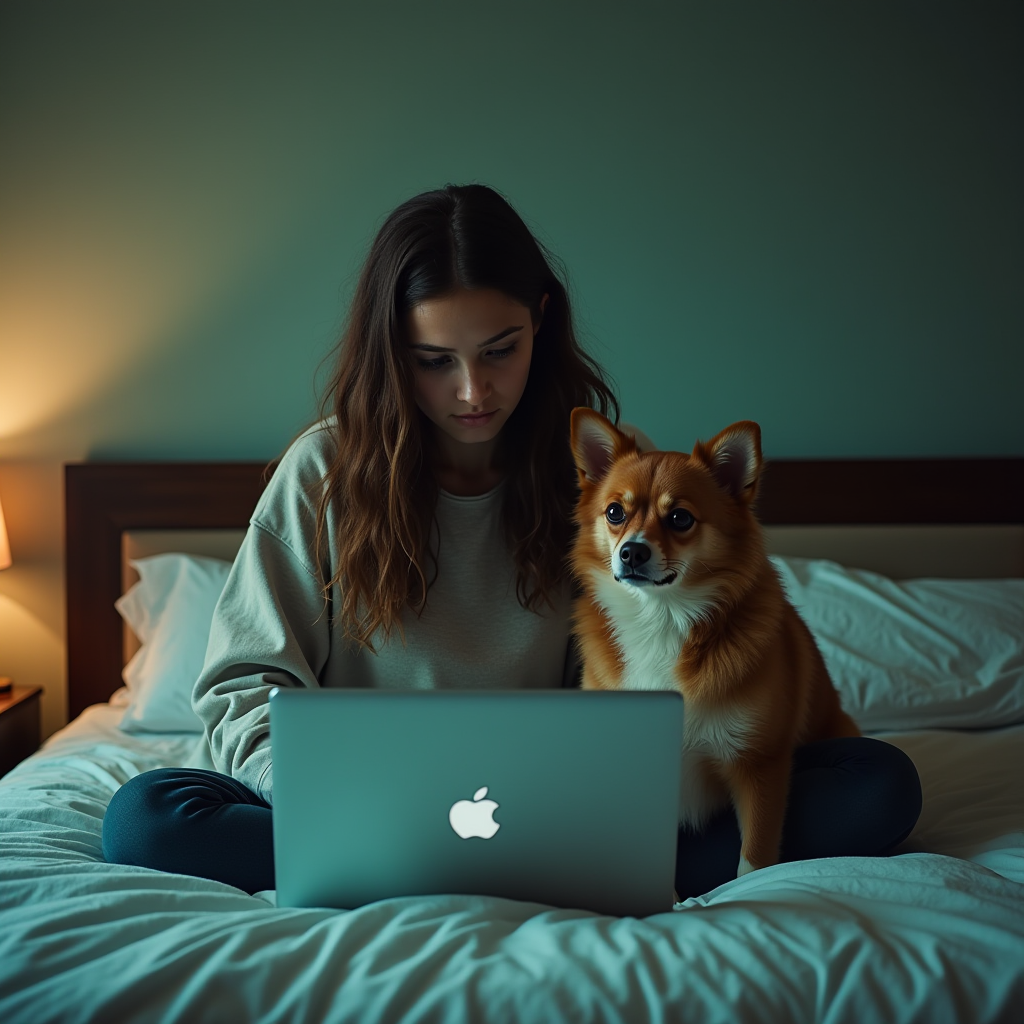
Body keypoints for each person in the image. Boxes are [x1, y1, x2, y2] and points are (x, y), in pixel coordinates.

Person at [102, 183, 921, 900]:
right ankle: (440, 857)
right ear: (393, 351)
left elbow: (623, 693)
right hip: (360, 807)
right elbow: (244, 683)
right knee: (147, 819)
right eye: (433, 360)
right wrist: (322, 799)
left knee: (877, 785)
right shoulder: (324, 470)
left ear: (541, 320)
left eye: (500, 351)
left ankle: (451, 862)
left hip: (549, 809)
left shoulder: (601, 488)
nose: (472, 391)